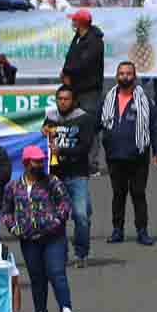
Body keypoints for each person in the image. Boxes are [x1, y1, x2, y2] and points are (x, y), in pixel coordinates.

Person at [3, 145, 75, 312]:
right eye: (36, 161)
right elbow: (6, 211)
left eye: (41, 161)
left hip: (53, 237)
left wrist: (56, 221)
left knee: (56, 272)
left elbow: (65, 203)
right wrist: (14, 228)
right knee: (37, 276)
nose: (40, 164)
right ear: (26, 163)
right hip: (28, 239)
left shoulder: (52, 182)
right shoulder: (13, 186)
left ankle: (66, 310)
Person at [99, 61, 157, 245]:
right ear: (116, 76)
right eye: (121, 73)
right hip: (114, 156)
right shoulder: (108, 99)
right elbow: (96, 123)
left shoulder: (145, 101)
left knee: (138, 193)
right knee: (118, 194)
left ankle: (142, 231)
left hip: (138, 156)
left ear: (134, 77)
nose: (125, 77)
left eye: (128, 73)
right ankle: (117, 230)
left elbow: (155, 127)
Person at [44, 85, 99, 266]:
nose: (62, 102)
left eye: (66, 99)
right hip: (55, 177)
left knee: (81, 215)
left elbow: (85, 147)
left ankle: (81, 253)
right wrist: (42, 132)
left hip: (77, 175)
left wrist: (62, 150)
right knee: (56, 219)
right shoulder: (50, 119)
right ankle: (60, 253)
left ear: (74, 101)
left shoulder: (84, 119)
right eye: (59, 99)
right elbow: (41, 140)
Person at [61, 9, 106, 115]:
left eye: (74, 20)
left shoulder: (94, 41)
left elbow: (84, 63)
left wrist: (67, 71)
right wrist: (65, 72)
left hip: (89, 91)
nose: (72, 23)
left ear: (80, 23)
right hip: (77, 88)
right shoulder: (79, 37)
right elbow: (70, 57)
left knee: (87, 118)